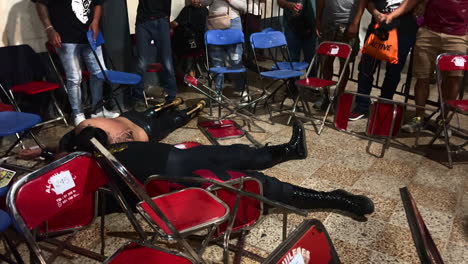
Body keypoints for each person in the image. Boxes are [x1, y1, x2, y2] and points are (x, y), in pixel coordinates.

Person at [70, 121, 375, 218]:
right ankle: (336, 199)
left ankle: (289, 150)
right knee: (259, 184)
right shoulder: (91, 170)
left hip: (179, 156)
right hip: (175, 179)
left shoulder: (118, 145)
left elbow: (137, 133)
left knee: (239, 153)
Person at [19, 98, 206, 159]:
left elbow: (65, 145)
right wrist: (41, 149)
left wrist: (44, 150)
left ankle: (195, 108)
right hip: (131, 117)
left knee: (174, 121)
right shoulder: (86, 125)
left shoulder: (109, 150)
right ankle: (173, 102)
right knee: (154, 111)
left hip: (146, 131)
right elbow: (66, 143)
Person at [33, 0, 120, 126]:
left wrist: (95, 22)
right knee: (74, 78)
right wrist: (49, 28)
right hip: (66, 37)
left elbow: (98, 3)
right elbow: (40, 3)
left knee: (99, 73)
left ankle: (98, 110)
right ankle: (78, 114)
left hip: (90, 35)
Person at [400, 0, 468, 133]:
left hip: (458, 35)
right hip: (429, 31)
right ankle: (418, 119)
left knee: (454, 79)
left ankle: (443, 120)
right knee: (422, 77)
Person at [349, 0, 418, 121]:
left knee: (394, 70)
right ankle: (362, 105)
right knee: (366, 67)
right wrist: (376, 13)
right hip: (377, 25)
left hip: (403, 29)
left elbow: (410, 4)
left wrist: (391, 16)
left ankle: (383, 105)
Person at [314, 0, 367, 109]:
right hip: (328, 23)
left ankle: (339, 95)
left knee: (344, 62)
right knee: (327, 60)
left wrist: (355, 23)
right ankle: (326, 94)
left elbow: (363, 2)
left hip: (347, 24)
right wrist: (318, 20)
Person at [132, 0, 178, 111]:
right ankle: (138, 99)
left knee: (167, 62)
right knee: (142, 63)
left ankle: (171, 98)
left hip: (161, 20)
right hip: (143, 22)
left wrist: (166, 20)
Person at [199, 0, 247, 96]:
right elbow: (202, 3)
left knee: (235, 59)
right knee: (216, 61)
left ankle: (240, 89)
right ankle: (218, 92)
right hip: (214, 22)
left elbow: (244, 7)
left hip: (233, 23)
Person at [170, 0, 208, 79]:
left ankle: (186, 74)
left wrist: (165, 24)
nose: (194, 1)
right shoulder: (205, 10)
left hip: (193, 42)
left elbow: (176, 23)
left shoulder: (188, 10)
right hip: (202, 43)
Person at [277, 0, 317, 64]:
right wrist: (288, 5)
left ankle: (311, 74)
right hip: (292, 26)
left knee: (311, 59)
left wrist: (318, 23)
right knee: (293, 60)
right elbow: (279, 1)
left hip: (310, 25)